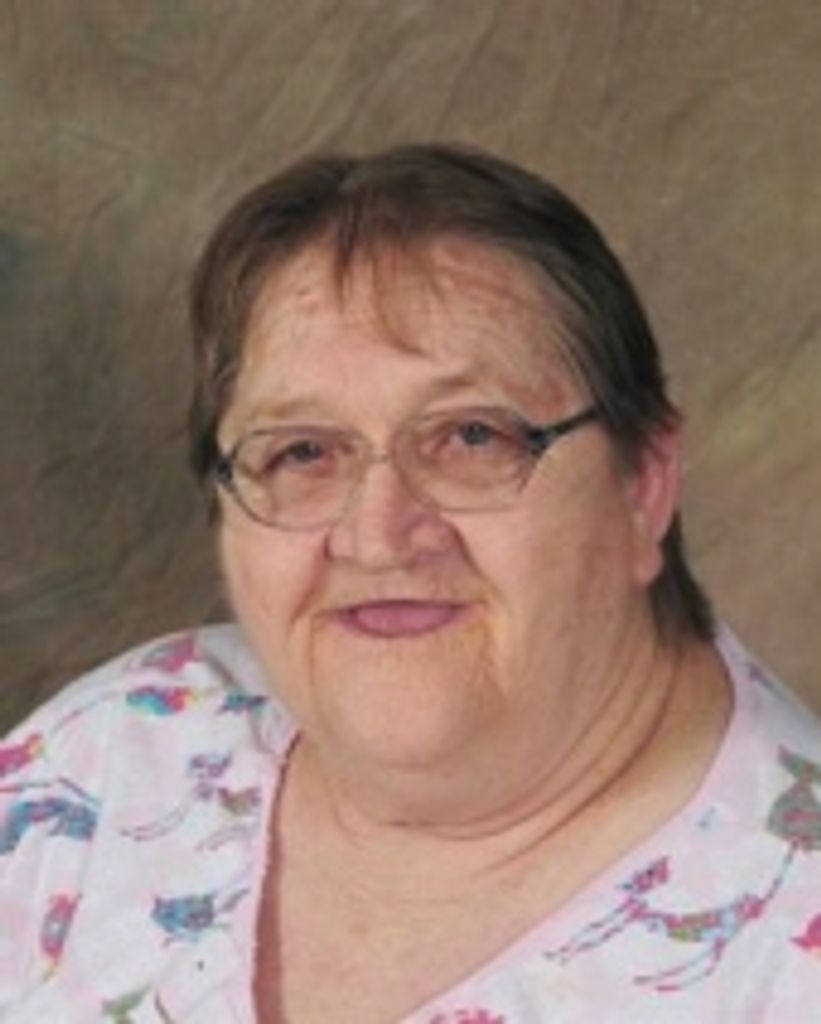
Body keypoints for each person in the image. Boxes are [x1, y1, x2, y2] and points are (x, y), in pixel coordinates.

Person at [1, 143, 820, 1023]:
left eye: (472, 437)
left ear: (642, 485)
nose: (377, 536)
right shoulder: (109, 759)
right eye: (302, 452)